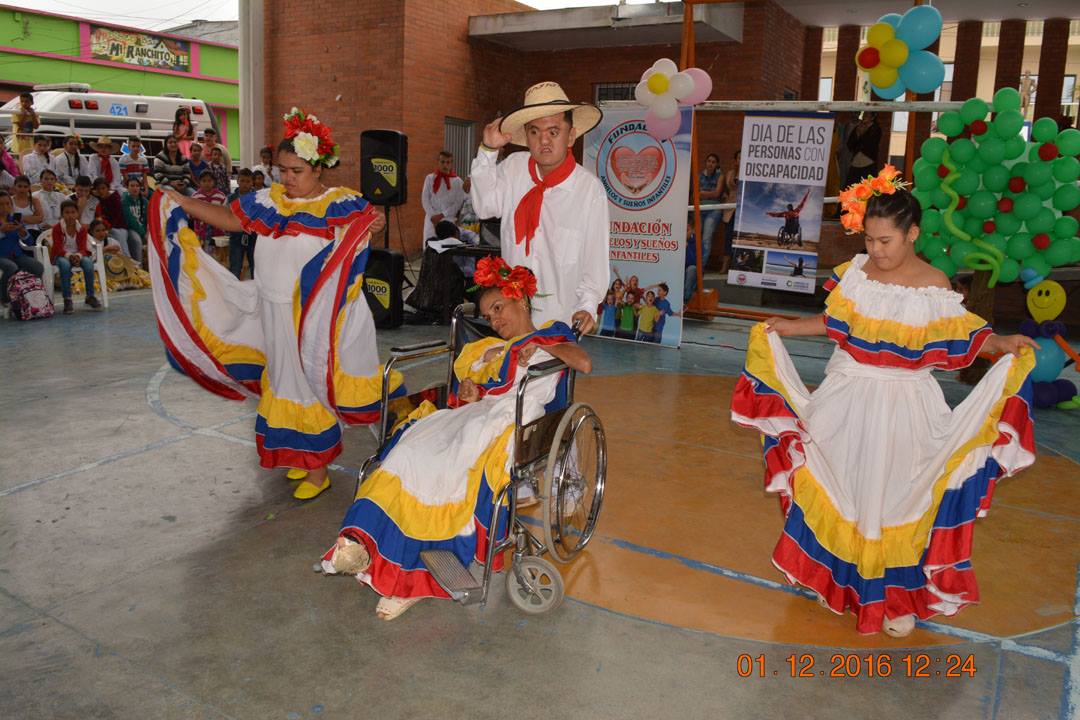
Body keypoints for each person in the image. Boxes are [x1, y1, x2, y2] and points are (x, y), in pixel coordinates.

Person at [730, 176, 1038, 637]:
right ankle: (835, 578)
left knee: (896, 500)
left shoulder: (933, 285)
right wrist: (789, 328)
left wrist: (1001, 343)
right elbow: (835, 322)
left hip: (904, 407)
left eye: (886, 240)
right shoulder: (856, 272)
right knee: (844, 490)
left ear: (912, 234)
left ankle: (895, 600)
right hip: (846, 400)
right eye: (870, 239)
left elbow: (963, 334)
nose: (876, 249)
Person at [319, 260, 591, 620]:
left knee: (451, 464)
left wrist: (541, 347)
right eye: (488, 316)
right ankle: (359, 543)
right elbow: (482, 391)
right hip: (481, 412)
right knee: (413, 447)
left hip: (516, 418)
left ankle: (408, 580)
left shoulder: (550, 334)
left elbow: (582, 363)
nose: (495, 321)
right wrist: (471, 392)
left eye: (498, 308)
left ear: (519, 301)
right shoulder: (492, 349)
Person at [153, 108, 393, 501]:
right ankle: (302, 455)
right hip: (271, 308)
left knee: (306, 382)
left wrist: (373, 223)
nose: (286, 178)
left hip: (309, 317)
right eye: (282, 169)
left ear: (318, 169)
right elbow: (229, 220)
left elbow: (364, 231)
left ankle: (318, 470)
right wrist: (182, 201)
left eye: (295, 170)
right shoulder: (269, 201)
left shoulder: (340, 205)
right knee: (283, 381)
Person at [470, 81, 609, 334]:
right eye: (534, 132)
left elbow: (594, 261)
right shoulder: (514, 169)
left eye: (554, 132)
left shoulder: (589, 191)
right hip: (511, 322)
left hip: (559, 323)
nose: (544, 140)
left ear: (572, 135)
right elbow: (484, 206)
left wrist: (587, 307)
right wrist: (488, 150)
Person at [40, 200, 102, 313]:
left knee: (88, 264)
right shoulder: (57, 228)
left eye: (73, 212)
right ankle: (67, 299)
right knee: (64, 265)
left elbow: (83, 247)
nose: (70, 215)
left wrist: (78, 256)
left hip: (78, 254)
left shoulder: (82, 229)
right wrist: (69, 256)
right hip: (60, 256)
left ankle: (90, 296)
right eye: (67, 212)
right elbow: (57, 248)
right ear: (62, 214)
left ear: (77, 214)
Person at [0, 190, 44, 302]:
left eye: (7, 204)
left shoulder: (14, 219)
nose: (5, 207)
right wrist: (1, 231)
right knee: (11, 267)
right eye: (1, 204)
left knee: (37, 267)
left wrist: (22, 231)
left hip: (17, 255)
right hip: (1, 256)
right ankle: (5, 299)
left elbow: (29, 242)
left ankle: (28, 295)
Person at [91, 178, 139, 263]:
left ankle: (128, 259)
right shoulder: (98, 199)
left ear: (108, 188)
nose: (101, 191)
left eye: (103, 188)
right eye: (98, 189)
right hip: (106, 227)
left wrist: (107, 228)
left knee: (119, 235)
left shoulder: (115, 198)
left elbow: (115, 218)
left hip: (119, 227)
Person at [421, 150, 466, 241]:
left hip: (448, 220)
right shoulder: (430, 178)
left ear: (451, 164)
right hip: (431, 219)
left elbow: (458, 203)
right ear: (438, 162)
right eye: (442, 162)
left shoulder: (458, 182)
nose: (445, 165)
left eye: (448, 162)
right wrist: (433, 216)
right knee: (430, 247)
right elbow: (425, 199)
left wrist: (442, 215)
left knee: (447, 248)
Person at [226, 169, 256, 279]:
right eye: (242, 181)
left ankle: (257, 293)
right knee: (235, 267)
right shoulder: (230, 198)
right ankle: (233, 293)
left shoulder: (258, 198)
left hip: (253, 237)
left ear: (252, 182)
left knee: (256, 267)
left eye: (248, 181)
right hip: (236, 237)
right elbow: (226, 216)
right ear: (237, 181)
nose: (245, 184)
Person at [191, 170, 227, 255]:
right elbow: (191, 213)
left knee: (217, 255)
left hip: (217, 231)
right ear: (199, 182)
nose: (207, 183)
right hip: (201, 231)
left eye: (209, 181)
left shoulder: (221, 196)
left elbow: (225, 212)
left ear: (214, 182)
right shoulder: (195, 197)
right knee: (202, 254)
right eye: (204, 181)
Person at [697, 152, 723, 271]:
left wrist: (702, 193)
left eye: (713, 162)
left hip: (713, 209)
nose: (711, 164)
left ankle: (700, 268)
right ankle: (694, 265)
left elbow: (717, 193)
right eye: (709, 161)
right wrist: (708, 194)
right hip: (700, 208)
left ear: (716, 164)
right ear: (705, 163)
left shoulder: (720, 176)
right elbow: (695, 195)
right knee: (696, 237)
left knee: (706, 238)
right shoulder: (699, 176)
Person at [845, 112, 881, 187]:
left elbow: (870, 145)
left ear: (872, 117)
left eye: (867, 115)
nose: (864, 117)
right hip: (856, 161)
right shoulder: (858, 127)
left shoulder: (876, 129)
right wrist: (857, 134)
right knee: (850, 187)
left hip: (868, 162)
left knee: (868, 187)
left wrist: (862, 134)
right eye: (864, 115)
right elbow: (849, 144)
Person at [720, 149, 740, 273]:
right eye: (738, 158)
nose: (740, 160)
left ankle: (735, 265)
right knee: (727, 236)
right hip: (729, 209)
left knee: (737, 237)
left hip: (741, 209)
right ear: (735, 160)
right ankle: (725, 264)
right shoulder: (729, 174)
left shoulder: (748, 173)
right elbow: (726, 190)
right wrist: (725, 197)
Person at [121, 176, 148, 260]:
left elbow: (149, 219)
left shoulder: (145, 201)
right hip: (130, 229)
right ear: (127, 187)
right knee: (137, 240)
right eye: (132, 186)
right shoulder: (124, 201)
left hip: (144, 229)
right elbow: (130, 221)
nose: (135, 188)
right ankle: (138, 265)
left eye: (137, 186)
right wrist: (144, 233)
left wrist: (149, 231)